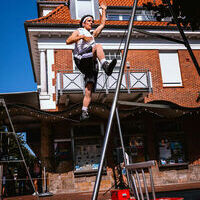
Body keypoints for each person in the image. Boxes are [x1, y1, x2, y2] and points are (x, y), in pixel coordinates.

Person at [66, 3, 117, 121]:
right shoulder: (79, 30)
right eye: (89, 21)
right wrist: (82, 37)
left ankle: (84, 111)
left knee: (88, 89)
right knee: (98, 46)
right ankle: (105, 65)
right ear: (83, 23)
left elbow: (102, 24)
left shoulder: (92, 35)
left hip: (91, 63)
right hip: (81, 59)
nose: (91, 22)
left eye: (92, 21)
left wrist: (104, 10)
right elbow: (68, 41)